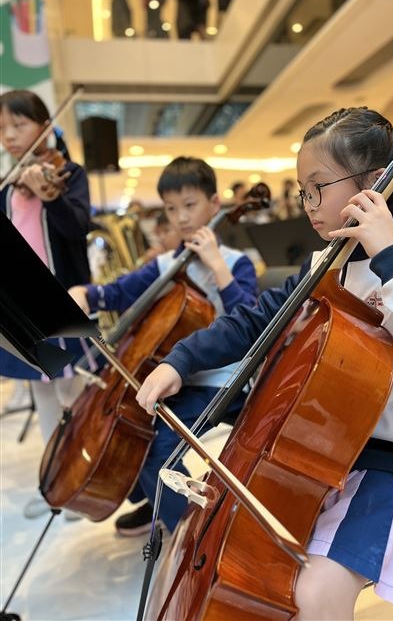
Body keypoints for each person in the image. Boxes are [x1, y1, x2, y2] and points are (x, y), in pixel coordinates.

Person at [135, 107, 393, 618]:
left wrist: (392, 257)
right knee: (253, 562)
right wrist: (180, 361)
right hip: (325, 454)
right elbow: (255, 319)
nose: (308, 205)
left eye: (318, 187)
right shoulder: (325, 264)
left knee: (315, 594)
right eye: (304, 191)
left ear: (374, 182)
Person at [68, 156, 258, 535]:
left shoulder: (237, 263)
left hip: (222, 381)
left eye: (190, 205)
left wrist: (217, 267)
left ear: (214, 204)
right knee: (132, 435)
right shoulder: (165, 263)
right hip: (178, 379)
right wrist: (86, 294)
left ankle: (191, 534)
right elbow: (120, 291)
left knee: (156, 451)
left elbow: (253, 323)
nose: (181, 218)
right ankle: (156, 503)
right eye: (171, 209)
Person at [0, 89, 92, 520]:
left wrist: (51, 197)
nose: (9, 135)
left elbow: (78, 229)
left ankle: (80, 480)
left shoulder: (68, 174)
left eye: (18, 125)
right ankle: (53, 484)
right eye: (2, 129)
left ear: (43, 126)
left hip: (60, 300)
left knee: (72, 394)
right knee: (42, 396)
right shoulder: (7, 189)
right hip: (22, 308)